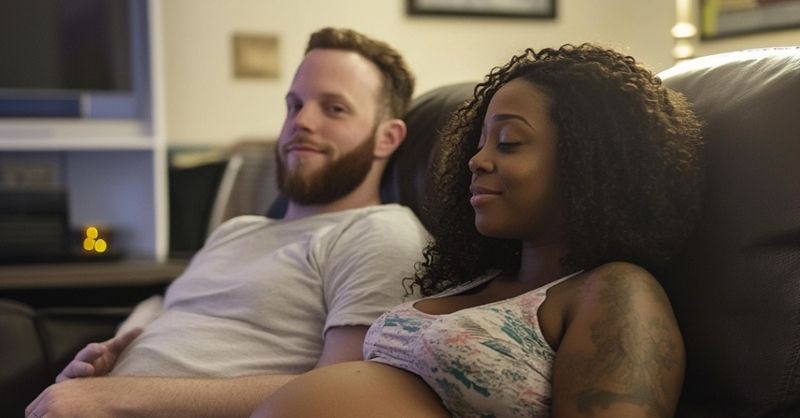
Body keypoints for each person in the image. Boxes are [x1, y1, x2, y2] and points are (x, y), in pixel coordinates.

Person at [252, 43, 705, 418]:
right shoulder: (477, 281)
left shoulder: (618, 292)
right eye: (480, 142)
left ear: (589, 163)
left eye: (508, 143)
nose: (477, 160)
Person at [26, 27, 428, 418]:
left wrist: (115, 398)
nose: (301, 121)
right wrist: (100, 371)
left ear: (387, 137)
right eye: (294, 105)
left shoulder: (380, 234)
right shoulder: (236, 230)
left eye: (334, 108)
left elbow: (341, 394)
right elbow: (171, 318)